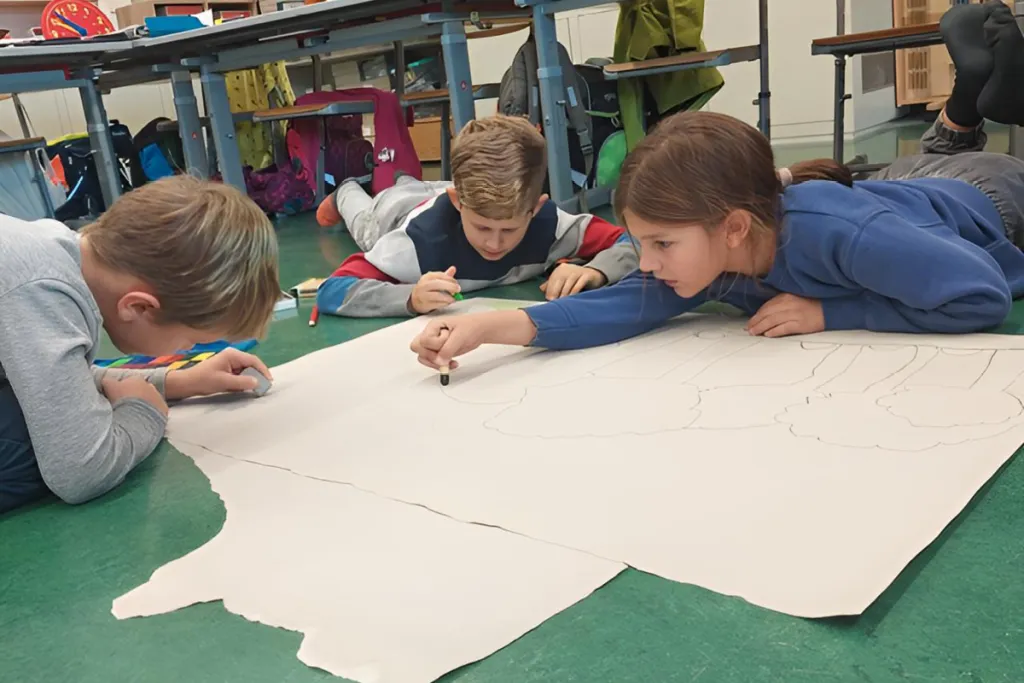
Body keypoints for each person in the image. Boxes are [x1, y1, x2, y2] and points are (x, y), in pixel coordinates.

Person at [409, 0, 1024, 372]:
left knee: (939, 173)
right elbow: (616, 308)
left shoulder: (844, 236)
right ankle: (965, 99)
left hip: (989, 198)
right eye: (642, 242)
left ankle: (976, 101)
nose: (645, 264)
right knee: (899, 174)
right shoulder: (711, 253)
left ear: (732, 228)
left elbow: (980, 296)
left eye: (661, 244)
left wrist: (829, 311)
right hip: (899, 191)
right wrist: (486, 329)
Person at [0, 175, 280, 514]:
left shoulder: (55, 251)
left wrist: (177, 382)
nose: (185, 350)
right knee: (37, 441)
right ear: (138, 307)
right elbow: (82, 470)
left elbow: (50, 382)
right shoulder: (41, 286)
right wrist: (145, 411)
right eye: (192, 341)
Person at [313, 114, 637, 318]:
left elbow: (635, 240)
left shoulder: (551, 226)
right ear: (458, 204)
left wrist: (597, 270)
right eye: (482, 227)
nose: (494, 243)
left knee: (413, 184)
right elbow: (332, 290)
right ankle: (346, 190)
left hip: (447, 191)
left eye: (509, 230)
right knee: (364, 219)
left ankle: (405, 180)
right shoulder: (414, 244)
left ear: (536, 209)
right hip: (395, 212)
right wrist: (409, 297)